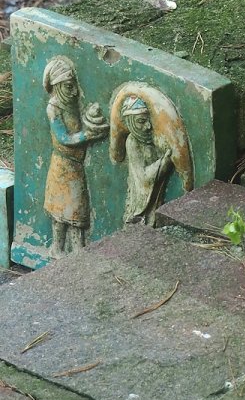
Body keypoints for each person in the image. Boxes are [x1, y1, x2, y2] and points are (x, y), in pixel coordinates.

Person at [42, 56, 108, 255]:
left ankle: (78, 251)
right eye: (69, 86)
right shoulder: (53, 108)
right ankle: (57, 249)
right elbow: (63, 138)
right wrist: (87, 135)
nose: (75, 91)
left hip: (75, 165)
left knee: (77, 211)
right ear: (57, 86)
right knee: (60, 211)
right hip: (62, 166)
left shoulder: (71, 103)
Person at [119, 95, 174, 225]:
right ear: (130, 122)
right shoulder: (132, 141)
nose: (148, 126)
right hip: (142, 201)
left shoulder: (153, 138)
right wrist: (163, 162)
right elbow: (143, 179)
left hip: (158, 197)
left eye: (149, 120)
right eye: (141, 121)